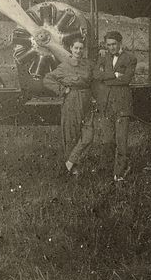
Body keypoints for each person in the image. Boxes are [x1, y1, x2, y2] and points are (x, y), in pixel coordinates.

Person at [44, 35, 94, 176]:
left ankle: (69, 163)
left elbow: (95, 79)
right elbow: (47, 79)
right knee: (71, 135)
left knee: (88, 136)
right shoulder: (64, 66)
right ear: (71, 49)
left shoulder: (88, 65)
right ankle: (73, 170)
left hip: (87, 101)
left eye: (81, 48)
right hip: (71, 101)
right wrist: (62, 90)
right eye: (76, 48)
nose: (78, 51)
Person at [92, 31, 137, 182]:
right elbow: (96, 75)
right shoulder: (102, 57)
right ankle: (107, 172)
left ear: (120, 43)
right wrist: (115, 75)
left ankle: (120, 173)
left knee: (121, 141)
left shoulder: (130, 58)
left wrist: (107, 78)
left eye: (113, 44)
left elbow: (126, 79)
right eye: (108, 44)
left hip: (122, 105)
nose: (111, 47)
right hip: (106, 105)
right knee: (107, 141)